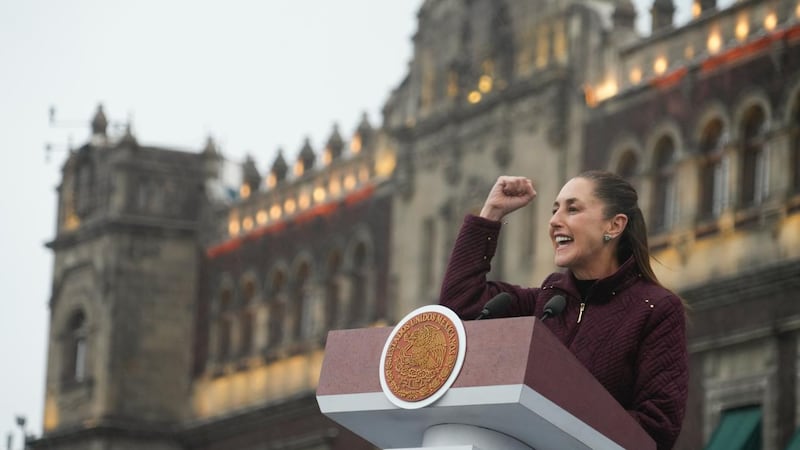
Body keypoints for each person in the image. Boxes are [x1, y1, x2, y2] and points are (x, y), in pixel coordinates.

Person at [439, 171, 688, 450]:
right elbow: (461, 305)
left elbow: (657, 428)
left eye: (572, 209)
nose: (554, 221)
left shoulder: (656, 309)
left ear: (614, 226)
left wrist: (561, 421)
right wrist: (491, 214)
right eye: (555, 210)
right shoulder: (547, 300)